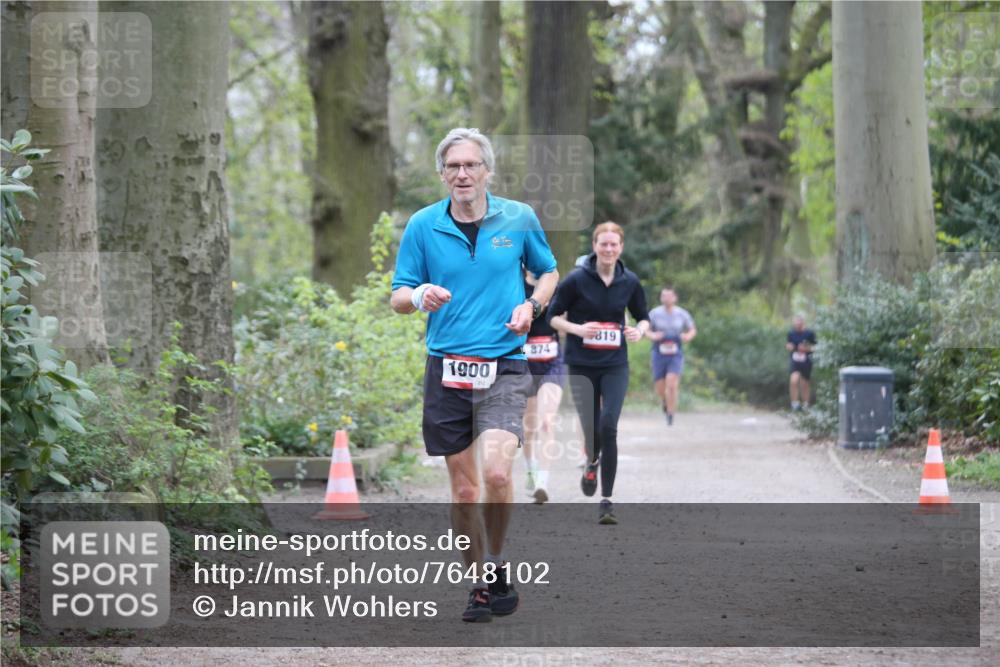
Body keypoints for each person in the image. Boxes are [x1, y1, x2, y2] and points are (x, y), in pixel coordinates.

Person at [390, 128, 558, 622]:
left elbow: (548, 272)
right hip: (447, 369)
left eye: (471, 165)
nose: (462, 174)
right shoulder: (423, 225)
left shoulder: (519, 218)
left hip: (504, 364)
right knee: (464, 492)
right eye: (453, 166)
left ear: (487, 170)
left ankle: (499, 562)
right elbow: (398, 295)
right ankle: (479, 583)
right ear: (442, 174)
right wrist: (419, 295)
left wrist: (531, 306)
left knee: (498, 473)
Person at [548, 222, 649, 525]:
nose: (608, 249)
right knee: (592, 429)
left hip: (615, 363)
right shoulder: (576, 279)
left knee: (609, 425)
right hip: (581, 364)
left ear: (621, 248)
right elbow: (553, 317)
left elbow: (644, 316)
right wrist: (578, 329)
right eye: (603, 244)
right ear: (594, 246)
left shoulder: (629, 281)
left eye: (613, 244)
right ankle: (591, 461)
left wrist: (639, 331)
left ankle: (606, 501)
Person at [522, 269, 566, 504]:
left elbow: (566, 322)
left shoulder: (556, 287)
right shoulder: (515, 285)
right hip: (525, 362)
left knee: (546, 421)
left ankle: (542, 481)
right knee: (529, 426)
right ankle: (531, 469)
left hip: (552, 362)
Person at [645, 287, 697, 426]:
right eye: (664, 296)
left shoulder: (682, 313)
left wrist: (687, 336)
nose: (666, 299)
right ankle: (665, 401)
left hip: (675, 353)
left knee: (672, 384)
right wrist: (653, 335)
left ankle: (670, 413)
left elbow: (692, 329)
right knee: (660, 387)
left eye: (669, 296)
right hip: (658, 352)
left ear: (675, 298)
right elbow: (646, 330)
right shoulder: (654, 313)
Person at [787, 314, 817, 410]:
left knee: (805, 383)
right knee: (793, 380)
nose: (797, 323)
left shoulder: (809, 333)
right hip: (795, 360)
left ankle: (805, 405)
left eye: (799, 321)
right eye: (796, 321)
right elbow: (788, 344)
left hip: (806, 361)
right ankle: (794, 404)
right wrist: (790, 347)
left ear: (803, 322)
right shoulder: (791, 333)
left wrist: (806, 348)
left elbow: (815, 347)